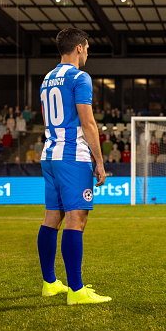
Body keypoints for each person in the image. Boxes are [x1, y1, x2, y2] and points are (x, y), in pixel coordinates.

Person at [37, 28, 111, 305]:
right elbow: (88, 122)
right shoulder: (81, 77)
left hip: (50, 153)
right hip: (73, 156)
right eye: (88, 48)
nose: (88, 53)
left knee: (51, 218)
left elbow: (47, 117)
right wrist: (99, 161)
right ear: (79, 48)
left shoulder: (46, 79)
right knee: (76, 219)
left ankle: (50, 283)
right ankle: (76, 291)